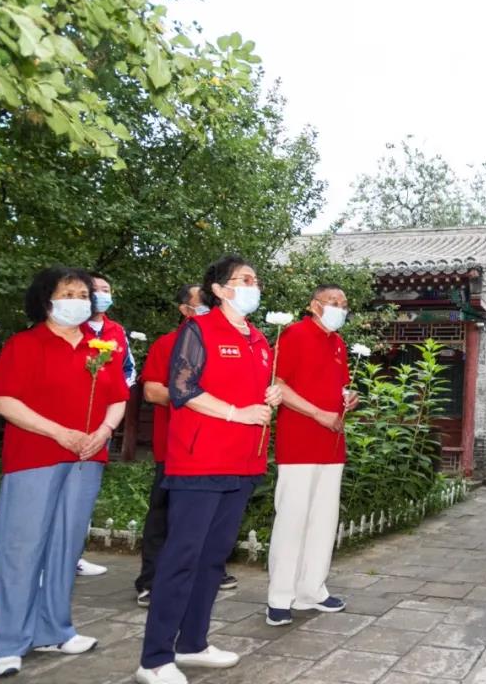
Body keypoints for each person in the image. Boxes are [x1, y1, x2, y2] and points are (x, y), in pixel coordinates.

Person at [136, 255, 280, 684]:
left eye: (255, 279)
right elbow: (182, 389)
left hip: (243, 462)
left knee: (213, 559)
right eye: (244, 279)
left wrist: (272, 394)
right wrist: (237, 413)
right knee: (182, 557)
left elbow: (252, 390)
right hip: (200, 462)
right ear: (218, 289)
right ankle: (154, 658)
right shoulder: (198, 330)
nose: (253, 285)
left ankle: (193, 643)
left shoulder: (259, 339)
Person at [0, 267, 129, 677]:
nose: (78, 301)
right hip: (35, 456)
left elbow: (118, 397)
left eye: (83, 295)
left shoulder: (100, 347)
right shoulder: (25, 344)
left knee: (66, 546)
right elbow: (3, 400)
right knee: (21, 547)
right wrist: (59, 433)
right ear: (46, 299)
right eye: (68, 293)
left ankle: (54, 629)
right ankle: (6, 641)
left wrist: (104, 432)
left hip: (86, 457)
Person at [134, 285, 237, 608]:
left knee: (213, 517)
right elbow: (152, 391)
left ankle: (209, 572)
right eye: (200, 302)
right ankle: (151, 580)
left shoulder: (230, 341)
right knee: (164, 515)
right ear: (184, 309)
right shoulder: (168, 343)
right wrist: (198, 397)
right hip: (176, 445)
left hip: (219, 446)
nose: (207, 306)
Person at [266, 284, 358, 627]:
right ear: (314, 305)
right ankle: (280, 598)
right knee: (292, 521)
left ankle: (311, 590)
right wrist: (318, 413)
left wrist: (349, 398)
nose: (340, 308)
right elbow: (278, 385)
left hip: (332, 445)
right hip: (299, 444)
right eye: (333, 302)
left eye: (344, 304)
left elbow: (340, 387)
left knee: (323, 522)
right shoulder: (295, 334)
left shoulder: (338, 344)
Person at [75, 272, 135, 578]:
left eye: (106, 289)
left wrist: (112, 395)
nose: (101, 294)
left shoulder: (117, 331)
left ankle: (73, 555)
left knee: (85, 494)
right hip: (69, 419)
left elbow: (129, 371)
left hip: (103, 421)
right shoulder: (71, 326)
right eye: (94, 289)